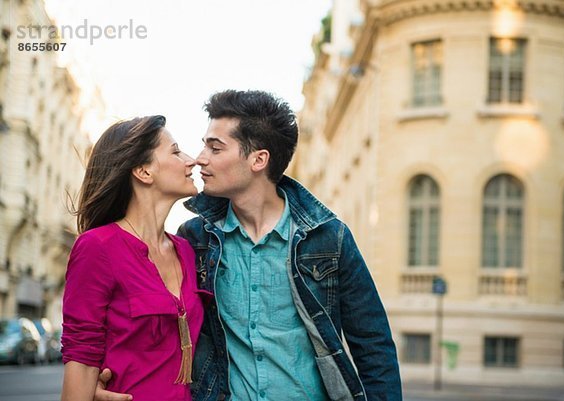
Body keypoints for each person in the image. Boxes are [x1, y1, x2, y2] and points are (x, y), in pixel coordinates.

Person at [95, 90, 403, 401]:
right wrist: (98, 380)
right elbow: (146, 326)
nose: (200, 158)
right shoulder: (194, 239)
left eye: (215, 148)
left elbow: (373, 344)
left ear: (258, 159)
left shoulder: (328, 237)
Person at [61, 116, 210, 401]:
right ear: (143, 171)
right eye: (176, 151)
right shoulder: (97, 247)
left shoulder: (188, 250)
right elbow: (81, 358)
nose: (191, 160)